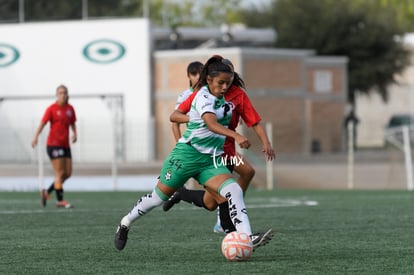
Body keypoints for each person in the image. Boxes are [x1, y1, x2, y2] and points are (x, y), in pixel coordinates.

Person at [114, 55, 273, 252]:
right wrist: (236, 135)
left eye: (228, 83)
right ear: (209, 80)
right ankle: (125, 222)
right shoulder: (202, 96)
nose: (225, 87)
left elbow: (243, 119)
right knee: (158, 198)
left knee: (234, 190)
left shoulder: (229, 97)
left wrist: (261, 140)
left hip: (211, 160)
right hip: (186, 155)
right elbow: (211, 124)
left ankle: (246, 237)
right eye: (221, 83)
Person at [165, 58, 275, 234]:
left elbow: (253, 121)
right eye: (222, 79)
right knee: (221, 197)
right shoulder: (202, 94)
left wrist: (266, 143)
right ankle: (235, 230)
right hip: (207, 154)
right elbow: (175, 117)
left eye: (229, 78)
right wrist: (198, 120)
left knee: (217, 197)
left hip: (228, 151)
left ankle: (183, 194)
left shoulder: (238, 95)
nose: (226, 83)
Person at [31, 84, 77, 208]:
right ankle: (59, 200)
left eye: (64, 92)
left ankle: (46, 192)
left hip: (65, 145)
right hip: (54, 145)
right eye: (60, 93)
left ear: (67, 94)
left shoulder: (70, 109)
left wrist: (75, 133)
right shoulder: (51, 109)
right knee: (60, 172)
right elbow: (43, 123)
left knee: (67, 173)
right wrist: (35, 137)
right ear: (56, 95)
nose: (63, 95)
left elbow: (72, 122)